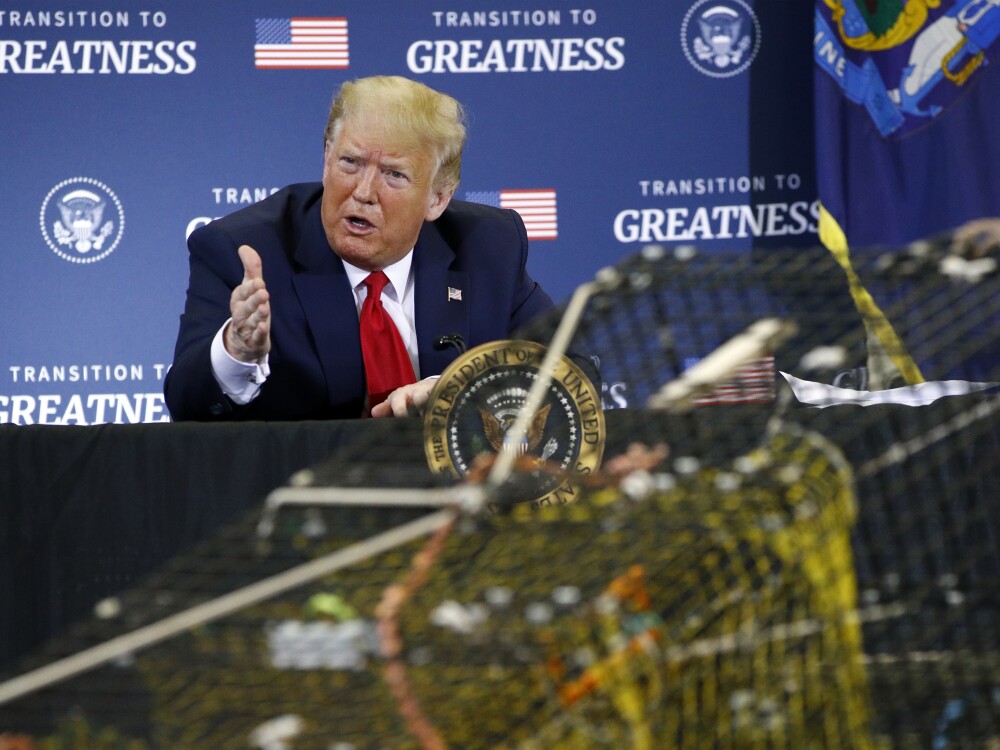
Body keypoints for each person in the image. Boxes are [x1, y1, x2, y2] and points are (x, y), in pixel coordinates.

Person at [164, 75, 556, 421]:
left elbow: (572, 370)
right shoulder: (243, 251)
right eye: (350, 162)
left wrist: (464, 390)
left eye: (394, 174)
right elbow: (187, 402)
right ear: (325, 161)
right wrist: (235, 352)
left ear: (437, 199)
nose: (363, 192)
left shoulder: (489, 245)